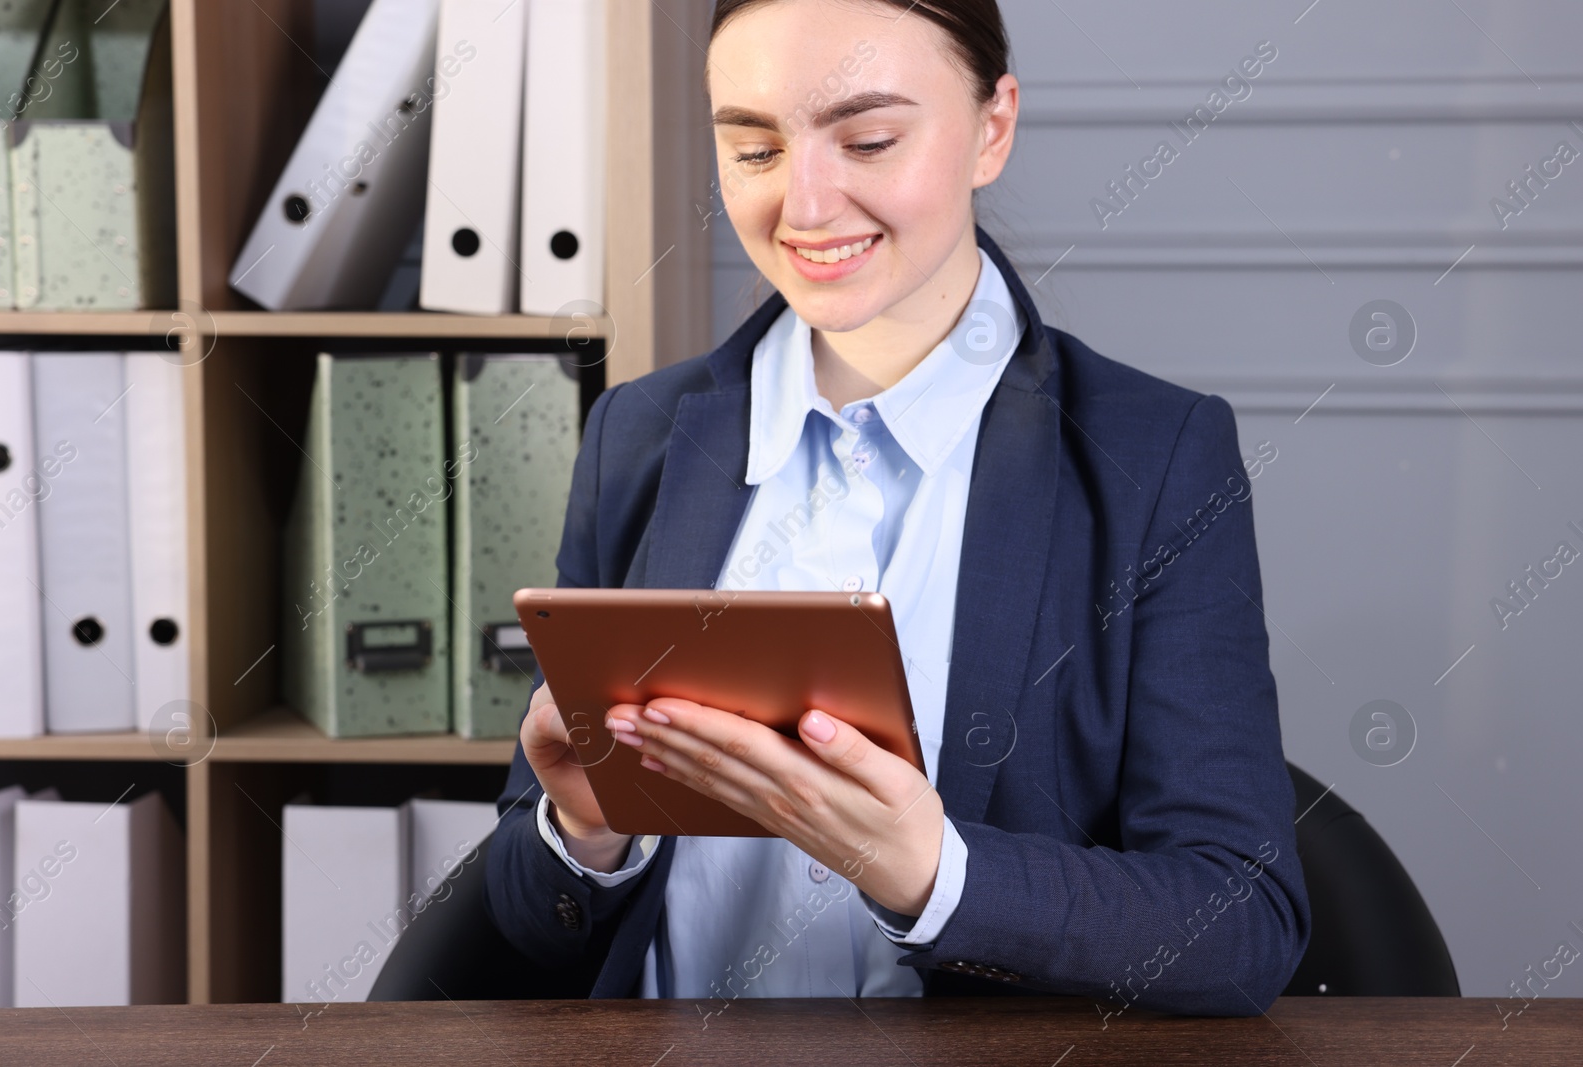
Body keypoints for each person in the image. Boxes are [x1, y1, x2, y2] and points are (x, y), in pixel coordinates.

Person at [485, 0, 1310, 1018]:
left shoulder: (1155, 456)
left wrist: (936, 870)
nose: (806, 203)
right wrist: (583, 831)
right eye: (752, 148)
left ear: (991, 127)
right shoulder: (638, 435)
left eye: (868, 139)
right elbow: (527, 921)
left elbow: (1238, 921)